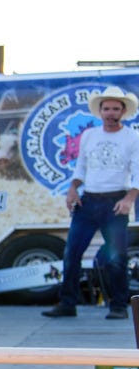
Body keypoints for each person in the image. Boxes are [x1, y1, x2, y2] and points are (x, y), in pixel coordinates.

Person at [43, 86, 139, 320]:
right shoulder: (89, 135)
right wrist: (73, 189)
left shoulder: (133, 137)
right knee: (71, 253)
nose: (110, 113)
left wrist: (129, 199)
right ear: (100, 111)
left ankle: (118, 306)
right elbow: (81, 168)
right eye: (106, 108)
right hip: (88, 202)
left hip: (115, 202)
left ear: (123, 111)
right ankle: (67, 303)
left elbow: (137, 171)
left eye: (116, 108)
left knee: (116, 257)